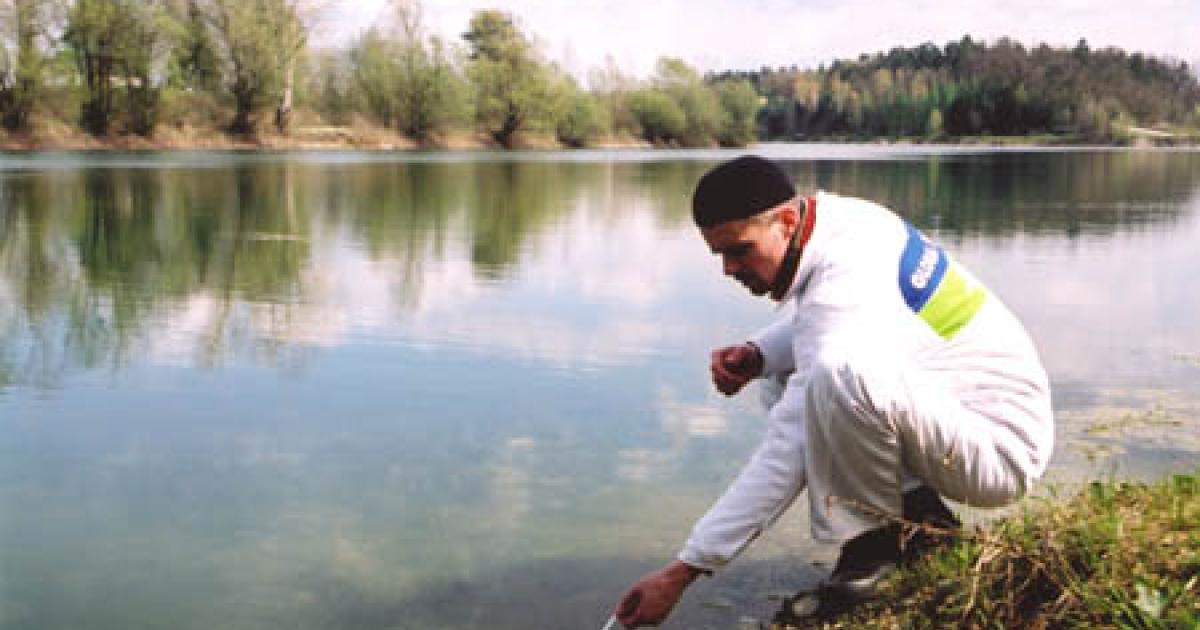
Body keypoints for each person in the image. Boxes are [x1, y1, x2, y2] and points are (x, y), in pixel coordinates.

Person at [613, 155, 1054, 628]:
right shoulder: (842, 226)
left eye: (740, 250)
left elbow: (789, 446)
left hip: (1000, 451)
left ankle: (875, 547)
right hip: (961, 417)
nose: (729, 269)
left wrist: (683, 570)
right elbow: (829, 321)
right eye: (720, 255)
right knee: (793, 376)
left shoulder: (846, 276)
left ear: (787, 221)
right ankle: (924, 526)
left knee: (835, 376)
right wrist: (760, 353)